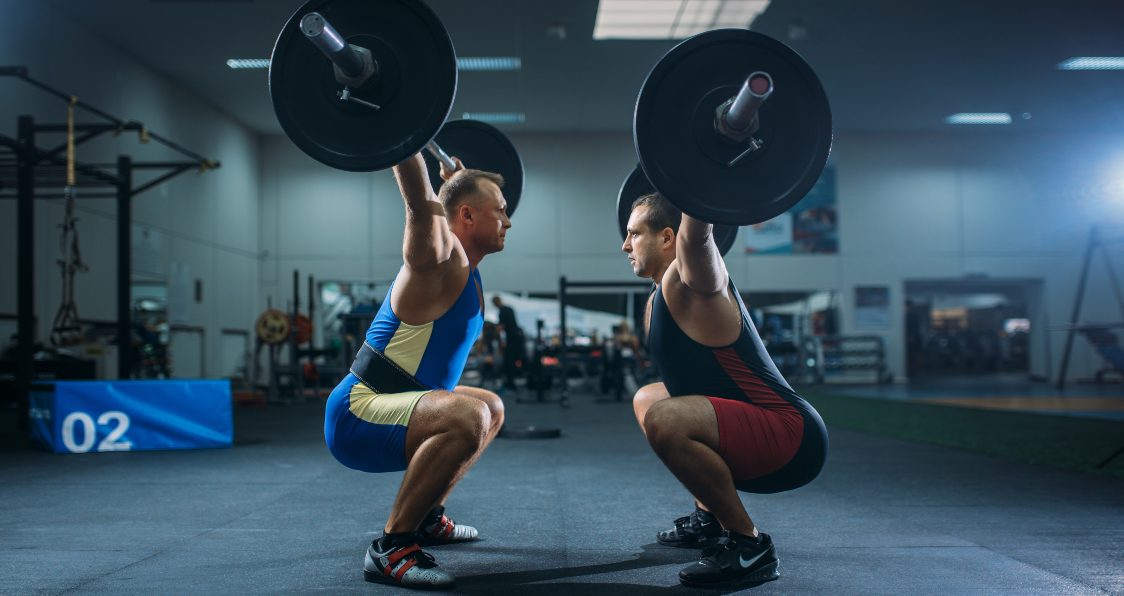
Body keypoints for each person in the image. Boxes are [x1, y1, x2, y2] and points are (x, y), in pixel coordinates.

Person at [323, 153, 511, 590]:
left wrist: (455, 178)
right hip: (359, 411)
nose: (508, 219)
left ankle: (427, 518)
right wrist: (404, 140)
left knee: (490, 407)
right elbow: (420, 202)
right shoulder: (437, 260)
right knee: (469, 416)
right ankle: (392, 548)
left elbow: (439, 200)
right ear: (466, 214)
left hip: (404, 404)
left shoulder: (469, 271)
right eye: (500, 209)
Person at [621, 193, 828, 588]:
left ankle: (749, 545)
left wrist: (696, 177)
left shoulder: (694, 277)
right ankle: (710, 519)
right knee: (649, 398)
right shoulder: (659, 294)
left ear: (668, 237)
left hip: (791, 436)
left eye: (633, 234)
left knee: (666, 417)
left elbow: (697, 237)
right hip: (753, 429)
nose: (625, 245)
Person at [491, 295, 526, 390]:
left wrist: (494, 334)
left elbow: (501, 328)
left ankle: (511, 383)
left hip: (512, 340)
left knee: (509, 361)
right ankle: (511, 381)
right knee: (512, 361)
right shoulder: (509, 309)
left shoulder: (502, 312)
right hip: (517, 338)